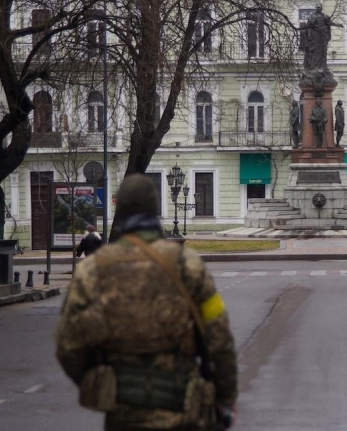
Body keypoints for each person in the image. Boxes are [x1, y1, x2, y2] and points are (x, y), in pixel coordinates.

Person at [56, 174, 238, 431]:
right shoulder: (188, 265)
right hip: (184, 409)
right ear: (155, 211)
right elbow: (220, 338)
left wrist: (102, 383)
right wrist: (226, 398)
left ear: (121, 212)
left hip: (124, 413)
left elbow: (68, 345)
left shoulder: (94, 270)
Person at [300, 4, 343, 74]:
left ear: (321, 8)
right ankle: (313, 67)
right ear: (315, 8)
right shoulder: (312, 16)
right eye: (317, 7)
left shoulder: (325, 16)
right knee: (315, 50)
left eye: (319, 7)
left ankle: (322, 66)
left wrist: (338, 25)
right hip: (315, 35)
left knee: (323, 51)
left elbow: (330, 23)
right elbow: (309, 27)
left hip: (323, 35)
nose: (318, 9)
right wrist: (310, 35)